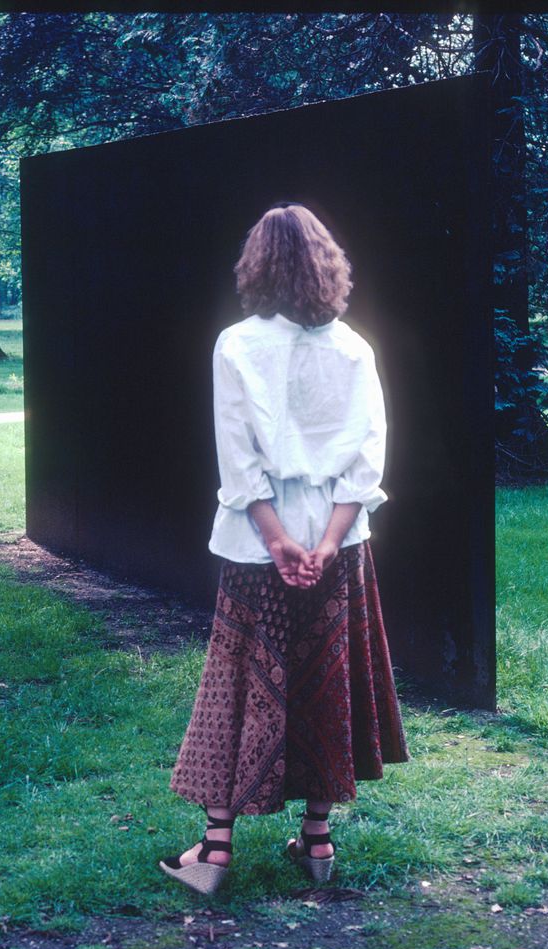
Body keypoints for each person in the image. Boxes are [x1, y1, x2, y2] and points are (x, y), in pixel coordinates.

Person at [160, 204, 409, 894]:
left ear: (258, 266)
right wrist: (325, 544)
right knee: (326, 681)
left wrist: (276, 540)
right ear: (329, 266)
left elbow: (238, 461)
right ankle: (319, 846)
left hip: (255, 545)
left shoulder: (237, 344)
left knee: (238, 685)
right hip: (339, 543)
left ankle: (214, 853)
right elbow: (368, 458)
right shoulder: (355, 347)